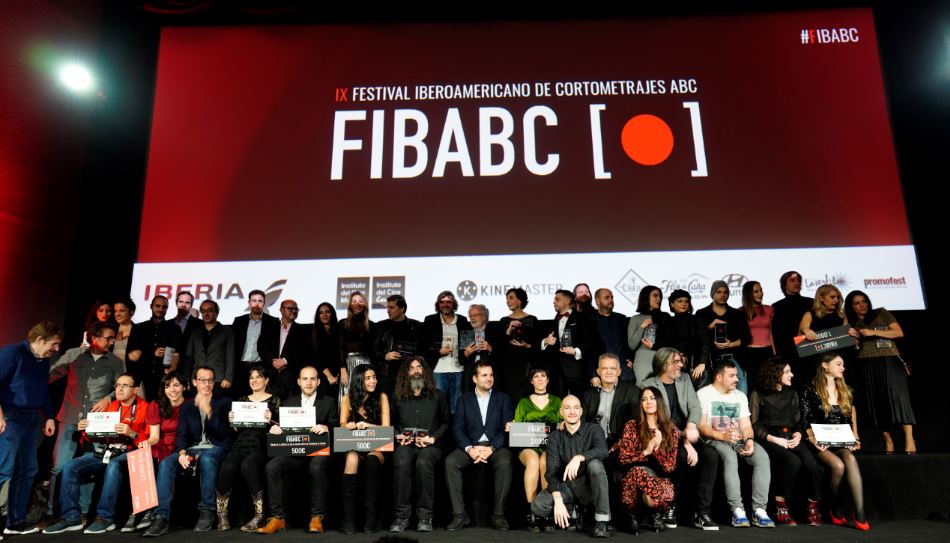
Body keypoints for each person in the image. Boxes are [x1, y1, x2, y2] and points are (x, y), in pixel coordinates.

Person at [42, 373, 150, 534]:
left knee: (114, 465)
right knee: (70, 466)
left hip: (130, 453)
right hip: (106, 452)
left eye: (125, 385)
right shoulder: (112, 406)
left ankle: (105, 518)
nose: (119, 389)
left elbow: (149, 442)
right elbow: (98, 436)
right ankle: (71, 517)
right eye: (118, 385)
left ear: (135, 390)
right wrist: (86, 430)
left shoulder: (145, 408)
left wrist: (131, 433)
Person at [46, 321, 124, 520]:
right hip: (69, 416)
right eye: (107, 338)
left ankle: (82, 511)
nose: (111, 341)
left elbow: (122, 388)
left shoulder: (115, 362)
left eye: (112, 338)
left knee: (90, 466)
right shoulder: (74, 355)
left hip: (97, 421)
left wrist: (108, 398)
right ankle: (54, 511)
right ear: (94, 338)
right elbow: (51, 374)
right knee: (59, 467)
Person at [143, 366, 233, 536]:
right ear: (194, 382)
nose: (206, 384)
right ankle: (161, 517)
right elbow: (182, 435)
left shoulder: (224, 403)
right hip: (194, 448)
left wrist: (209, 411)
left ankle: (207, 510)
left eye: (209, 380)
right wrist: (182, 452)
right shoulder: (188, 405)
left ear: (214, 382)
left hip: (217, 447)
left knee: (206, 459)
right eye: (202, 380)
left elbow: (224, 434)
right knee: (167, 462)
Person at [639, 348, 718, 530]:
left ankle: (702, 512)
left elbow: (695, 408)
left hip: (687, 434)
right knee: (680, 456)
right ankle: (670, 506)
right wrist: (685, 441)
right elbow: (660, 419)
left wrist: (691, 426)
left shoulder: (684, 379)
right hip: (665, 437)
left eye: (680, 361)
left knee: (711, 455)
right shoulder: (648, 385)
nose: (681, 365)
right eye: (676, 362)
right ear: (664, 364)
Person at [257, 366, 338, 535]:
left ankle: (317, 518)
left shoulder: (329, 401)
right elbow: (284, 428)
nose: (309, 383)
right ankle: (277, 518)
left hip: (319, 452)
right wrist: (275, 429)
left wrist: (326, 427)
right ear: (299, 382)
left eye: (312, 379)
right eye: (305, 379)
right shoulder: (288, 403)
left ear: (318, 382)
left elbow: (336, 427)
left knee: (316, 467)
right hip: (295, 452)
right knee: (272, 467)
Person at [0, 322, 62, 536]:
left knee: (27, 469)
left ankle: (14, 522)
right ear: (39, 340)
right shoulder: (12, 353)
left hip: (31, 419)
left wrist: (50, 417)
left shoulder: (42, 360)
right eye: (53, 344)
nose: (56, 349)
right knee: (3, 470)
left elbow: (43, 389)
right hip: (9, 417)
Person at [697, 360, 774, 528]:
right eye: (731, 376)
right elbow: (702, 427)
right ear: (719, 377)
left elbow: (746, 426)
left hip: (738, 439)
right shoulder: (704, 394)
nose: (737, 380)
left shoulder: (739, 396)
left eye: (736, 376)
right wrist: (722, 435)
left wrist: (749, 441)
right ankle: (737, 510)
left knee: (762, 458)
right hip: (715, 439)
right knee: (730, 458)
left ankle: (759, 510)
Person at [749, 359, 822, 526]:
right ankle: (780, 506)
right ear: (776, 373)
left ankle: (812, 507)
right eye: (788, 371)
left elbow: (798, 421)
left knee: (813, 468)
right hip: (769, 437)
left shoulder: (792, 393)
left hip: (790, 436)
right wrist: (775, 440)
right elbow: (755, 424)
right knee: (792, 462)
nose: (792, 374)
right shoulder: (757, 394)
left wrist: (798, 434)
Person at [445, 361, 514, 531]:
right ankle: (460, 515)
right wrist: (470, 449)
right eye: (484, 375)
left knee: (505, 462)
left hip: (495, 446)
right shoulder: (463, 400)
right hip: (471, 446)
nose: (489, 378)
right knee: (450, 462)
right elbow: (458, 429)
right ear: (475, 378)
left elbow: (507, 430)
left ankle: (499, 515)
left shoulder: (503, 399)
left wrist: (491, 449)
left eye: (491, 375)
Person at [844, 290, 916, 454]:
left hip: (889, 360)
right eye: (857, 303)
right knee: (877, 403)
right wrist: (853, 338)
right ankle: (888, 440)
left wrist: (874, 332)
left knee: (900, 398)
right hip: (866, 363)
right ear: (851, 306)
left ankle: (909, 439)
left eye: (864, 301)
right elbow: (853, 349)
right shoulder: (851, 323)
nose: (862, 305)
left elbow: (899, 332)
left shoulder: (881, 313)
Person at [802, 353, 869, 531]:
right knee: (838, 466)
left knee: (850, 459)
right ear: (825, 366)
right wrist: (813, 439)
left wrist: (854, 438)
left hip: (840, 441)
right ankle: (835, 509)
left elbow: (849, 418)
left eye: (843, 364)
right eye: (838, 364)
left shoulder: (846, 390)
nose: (843, 368)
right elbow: (806, 420)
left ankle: (860, 513)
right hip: (820, 442)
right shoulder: (810, 390)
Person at [530, 395, 611, 537]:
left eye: (576, 407)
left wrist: (580, 457)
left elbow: (603, 451)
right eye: (567, 408)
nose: (572, 412)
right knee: (538, 506)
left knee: (596, 465)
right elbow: (551, 471)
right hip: (567, 485)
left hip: (589, 484)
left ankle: (601, 522)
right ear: (561, 412)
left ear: (581, 411)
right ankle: (572, 508)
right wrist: (558, 499)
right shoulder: (555, 437)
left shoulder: (593, 429)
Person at [216, 365, 281, 531]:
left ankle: (259, 516)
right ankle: (222, 515)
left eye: (258, 377)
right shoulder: (242, 400)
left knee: (248, 465)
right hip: (241, 443)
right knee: (227, 466)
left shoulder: (275, 400)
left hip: (261, 445)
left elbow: (281, 428)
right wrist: (232, 421)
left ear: (266, 380)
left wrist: (271, 420)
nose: (254, 380)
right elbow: (237, 429)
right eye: (251, 378)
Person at [389, 356, 450, 533]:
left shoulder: (437, 396)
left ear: (424, 371)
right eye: (412, 367)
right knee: (401, 460)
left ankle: (425, 517)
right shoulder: (398, 397)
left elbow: (446, 422)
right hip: (405, 445)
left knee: (423, 461)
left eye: (419, 367)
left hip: (431, 446)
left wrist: (433, 438)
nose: (416, 370)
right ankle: (401, 517)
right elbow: (390, 423)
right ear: (406, 373)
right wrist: (397, 436)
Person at [128, 371, 188, 533]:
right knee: (140, 456)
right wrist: (145, 443)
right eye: (167, 386)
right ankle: (141, 510)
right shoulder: (156, 404)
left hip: (180, 447)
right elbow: (154, 437)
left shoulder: (190, 405)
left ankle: (157, 515)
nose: (172, 390)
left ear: (184, 387)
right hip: (160, 444)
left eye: (176, 385)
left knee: (165, 463)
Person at [616, 387, 680, 534]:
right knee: (636, 471)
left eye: (652, 398)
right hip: (633, 478)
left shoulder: (671, 430)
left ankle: (656, 513)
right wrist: (647, 451)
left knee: (663, 492)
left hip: (659, 479)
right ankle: (630, 516)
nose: (648, 402)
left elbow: (670, 467)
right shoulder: (632, 426)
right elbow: (623, 458)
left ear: (659, 401)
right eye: (644, 399)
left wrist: (657, 450)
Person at [339, 364, 390, 534]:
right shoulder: (347, 398)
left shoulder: (382, 397)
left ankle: (370, 520)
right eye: (368, 378)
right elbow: (342, 424)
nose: (373, 381)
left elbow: (386, 428)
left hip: (376, 446)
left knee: (371, 459)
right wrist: (349, 425)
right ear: (359, 380)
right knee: (352, 458)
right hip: (355, 445)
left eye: (374, 377)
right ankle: (349, 520)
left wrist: (368, 425)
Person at [510, 366, 562, 531]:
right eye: (536, 377)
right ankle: (532, 510)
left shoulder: (557, 401)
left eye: (543, 376)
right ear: (532, 381)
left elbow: (564, 423)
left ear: (548, 380)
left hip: (550, 446)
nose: (540, 379)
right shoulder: (523, 402)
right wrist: (511, 426)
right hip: (528, 446)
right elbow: (517, 425)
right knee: (533, 460)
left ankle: (545, 510)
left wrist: (562, 424)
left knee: (545, 461)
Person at [696, 281, 752, 395]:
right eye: (719, 292)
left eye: (725, 292)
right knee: (714, 398)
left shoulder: (738, 314)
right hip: (712, 361)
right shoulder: (702, 314)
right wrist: (709, 327)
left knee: (741, 395)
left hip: (735, 360)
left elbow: (747, 338)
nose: (723, 295)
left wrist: (730, 344)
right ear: (713, 294)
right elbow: (696, 339)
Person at [798, 284, 859, 388]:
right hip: (817, 363)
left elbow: (848, 340)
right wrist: (806, 330)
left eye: (837, 297)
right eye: (832, 297)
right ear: (821, 298)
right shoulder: (810, 315)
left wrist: (853, 335)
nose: (836, 300)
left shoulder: (841, 316)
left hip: (839, 361)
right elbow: (800, 339)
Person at [421, 291, 471, 413]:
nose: (445, 305)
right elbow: (422, 345)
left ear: (453, 304)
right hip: (438, 370)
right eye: (442, 302)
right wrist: (438, 351)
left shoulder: (463, 320)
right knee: (438, 407)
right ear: (438, 305)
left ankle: (455, 431)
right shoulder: (430, 320)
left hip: (458, 369)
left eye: (448, 302)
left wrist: (467, 352)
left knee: (456, 408)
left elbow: (467, 343)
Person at [541, 290, 592, 396]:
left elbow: (590, 341)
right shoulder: (554, 320)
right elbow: (543, 341)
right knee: (559, 403)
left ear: (568, 301)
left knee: (579, 401)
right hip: (556, 371)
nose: (554, 302)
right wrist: (546, 341)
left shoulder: (581, 318)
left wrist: (575, 351)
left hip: (576, 370)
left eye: (557, 299)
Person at [657, 290, 710, 390]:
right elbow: (664, 345)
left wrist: (702, 363)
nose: (684, 304)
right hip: (675, 366)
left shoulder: (696, 320)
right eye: (680, 301)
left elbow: (705, 342)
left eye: (686, 301)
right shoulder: (667, 322)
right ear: (672, 304)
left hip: (696, 367)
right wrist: (676, 355)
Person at [582, 354, 639, 447]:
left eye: (613, 368)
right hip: (595, 444)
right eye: (605, 368)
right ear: (598, 371)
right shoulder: (588, 395)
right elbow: (582, 421)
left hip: (623, 444)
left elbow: (636, 422)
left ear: (619, 371)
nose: (609, 372)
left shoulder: (633, 392)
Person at [258, 299, 310, 398]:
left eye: (296, 309)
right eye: (290, 308)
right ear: (281, 310)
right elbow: (261, 347)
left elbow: (303, 352)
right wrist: (272, 362)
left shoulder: (303, 330)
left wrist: (285, 361)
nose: (294, 311)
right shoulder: (269, 327)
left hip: (290, 378)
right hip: (270, 376)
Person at [232, 290, 279, 397]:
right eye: (254, 301)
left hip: (261, 367)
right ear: (249, 303)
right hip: (241, 367)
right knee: (241, 399)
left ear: (264, 303)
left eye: (260, 301)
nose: (257, 304)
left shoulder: (273, 322)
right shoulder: (239, 321)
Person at [372, 294, 422, 394]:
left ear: (402, 308)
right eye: (387, 307)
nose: (388, 310)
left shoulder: (416, 326)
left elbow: (422, 349)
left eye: (391, 307)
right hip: (387, 373)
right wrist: (385, 356)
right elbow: (373, 349)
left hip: (409, 373)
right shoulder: (381, 326)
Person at [135, 296, 182, 401]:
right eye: (158, 306)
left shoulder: (174, 328)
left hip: (163, 376)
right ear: (151, 306)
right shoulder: (141, 328)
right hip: (143, 376)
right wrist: (152, 352)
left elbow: (175, 352)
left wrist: (167, 358)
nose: (161, 309)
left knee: (163, 407)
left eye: (164, 307)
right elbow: (136, 352)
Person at [497, 288, 538, 402]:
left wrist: (527, 346)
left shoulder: (532, 320)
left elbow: (537, 344)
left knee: (526, 394)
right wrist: (509, 330)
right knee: (511, 394)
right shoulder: (504, 321)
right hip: (509, 365)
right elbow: (499, 345)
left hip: (526, 363)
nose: (507, 301)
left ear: (520, 300)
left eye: (511, 298)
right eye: (507, 299)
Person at [185, 300, 236, 392]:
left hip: (218, 379)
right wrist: (187, 379)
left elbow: (231, 356)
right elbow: (188, 359)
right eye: (203, 311)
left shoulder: (227, 331)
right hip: (198, 380)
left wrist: (228, 377)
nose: (206, 314)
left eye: (209, 310)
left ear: (217, 312)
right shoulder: (195, 333)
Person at [591, 288, 635, 383]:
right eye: (607, 298)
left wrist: (631, 359)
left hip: (624, 371)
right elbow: (589, 351)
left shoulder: (622, 319)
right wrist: (593, 374)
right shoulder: (589, 321)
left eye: (612, 297)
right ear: (597, 301)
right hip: (602, 372)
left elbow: (629, 342)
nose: (610, 300)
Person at [338, 291, 374, 404]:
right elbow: (340, 347)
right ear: (349, 305)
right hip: (349, 364)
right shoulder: (343, 324)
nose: (357, 304)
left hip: (366, 363)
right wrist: (343, 368)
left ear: (365, 305)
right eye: (354, 301)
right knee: (348, 394)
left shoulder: (372, 325)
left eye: (360, 301)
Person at [770, 271, 813, 363]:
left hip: (810, 349)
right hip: (788, 353)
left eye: (798, 281)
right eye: (792, 280)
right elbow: (776, 333)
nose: (797, 283)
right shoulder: (777, 306)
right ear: (784, 285)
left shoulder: (811, 302)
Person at [460, 304, 504, 391]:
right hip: (471, 375)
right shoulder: (467, 334)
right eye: (471, 316)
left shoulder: (495, 332)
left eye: (476, 315)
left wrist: (490, 349)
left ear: (484, 316)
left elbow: (503, 356)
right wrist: (466, 353)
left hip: (490, 373)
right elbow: (460, 359)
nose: (472, 318)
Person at [627, 286, 665, 384]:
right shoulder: (635, 319)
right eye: (655, 296)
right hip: (643, 360)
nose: (659, 299)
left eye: (660, 296)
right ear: (646, 297)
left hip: (663, 358)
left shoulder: (666, 317)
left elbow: (671, 342)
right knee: (645, 391)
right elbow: (632, 345)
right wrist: (642, 326)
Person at [741, 281, 774, 392]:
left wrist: (774, 352)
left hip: (767, 352)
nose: (760, 293)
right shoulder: (740, 312)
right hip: (750, 353)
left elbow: (771, 332)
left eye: (761, 290)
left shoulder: (769, 309)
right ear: (748, 294)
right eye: (756, 291)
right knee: (753, 387)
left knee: (768, 385)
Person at [311, 302, 341, 398]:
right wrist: (329, 376)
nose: (324, 315)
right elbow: (317, 358)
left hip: (339, 375)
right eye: (321, 312)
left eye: (327, 312)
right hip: (323, 375)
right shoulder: (315, 332)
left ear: (332, 314)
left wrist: (339, 373)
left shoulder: (339, 330)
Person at [172, 292, 203, 380]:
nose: (183, 305)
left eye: (187, 302)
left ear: (191, 305)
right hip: (171, 370)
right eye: (181, 301)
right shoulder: (168, 324)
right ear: (176, 302)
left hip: (192, 371)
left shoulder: (200, 324)